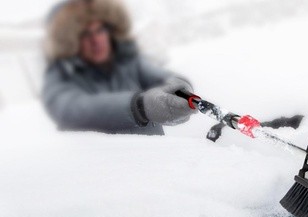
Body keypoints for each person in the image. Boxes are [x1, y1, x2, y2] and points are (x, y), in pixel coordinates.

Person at [42, 0, 197, 135]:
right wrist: (140, 107)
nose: (96, 40)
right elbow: (73, 110)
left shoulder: (127, 63)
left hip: (158, 160)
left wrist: (178, 89)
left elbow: (162, 78)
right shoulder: (59, 76)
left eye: (100, 30)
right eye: (85, 34)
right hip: (104, 167)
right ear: (69, 41)